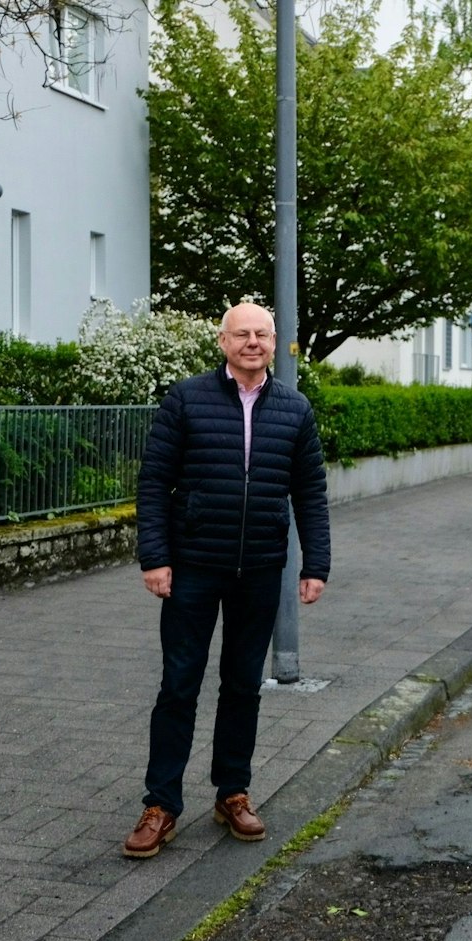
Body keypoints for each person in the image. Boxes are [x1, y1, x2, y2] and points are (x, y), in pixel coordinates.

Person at [123, 302, 330, 859]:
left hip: (259, 569)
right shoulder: (186, 399)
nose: (253, 342)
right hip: (192, 567)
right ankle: (161, 804)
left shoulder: (294, 408)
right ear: (223, 341)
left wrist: (316, 565)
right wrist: (154, 558)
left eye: (262, 333)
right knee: (179, 686)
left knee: (243, 686)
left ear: (275, 341)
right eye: (242, 334)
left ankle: (232, 793)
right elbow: (154, 482)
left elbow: (310, 492)